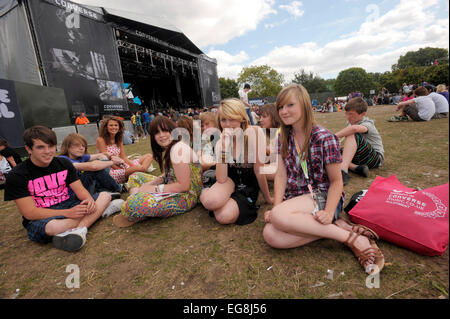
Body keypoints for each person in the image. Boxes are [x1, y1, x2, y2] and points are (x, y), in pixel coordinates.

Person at [262, 84, 384, 275]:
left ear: (304, 105)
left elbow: (337, 182)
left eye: (290, 105)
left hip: (325, 196)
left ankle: (351, 239)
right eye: (280, 107)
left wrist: (328, 212)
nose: (284, 111)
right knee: (271, 236)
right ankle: (337, 227)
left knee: (278, 217)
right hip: (297, 199)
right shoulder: (282, 138)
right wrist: (276, 204)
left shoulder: (324, 138)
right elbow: (280, 175)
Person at [3, 126, 116, 252]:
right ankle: (96, 215)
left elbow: (81, 191)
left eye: (51, 146)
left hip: (70, 204)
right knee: (53, 227)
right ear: (29, 149)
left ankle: (79, 230)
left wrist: (88, 200)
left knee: (105, 196)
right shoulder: (17, 175)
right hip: (45, 215)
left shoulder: (63, 163)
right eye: (40, 147)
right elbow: (30, 212)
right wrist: (67, 213)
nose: (48, 151)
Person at [112, 116, 202, 227]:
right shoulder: (172, 146)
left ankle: (135, 207)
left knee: (133, 203)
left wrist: (153, 189)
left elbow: (184, 186)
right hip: (172, 185)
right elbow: (171, 173)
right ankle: (137, 207)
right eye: (157, 132)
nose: (162, 135)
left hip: (187, 197)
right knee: (135, 176)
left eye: (165, 130)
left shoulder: (178, 149)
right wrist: (153, 183)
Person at [199, 98, 273, 226]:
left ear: (241, 118)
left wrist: (267, 198)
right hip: (228, 180)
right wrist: (223, 149)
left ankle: (220, 197)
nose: (227, 124)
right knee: (210, 201)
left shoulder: (255, 133)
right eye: (223, 120)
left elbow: (258, 170)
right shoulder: (219, 141)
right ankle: (206, 190)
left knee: (224, 216)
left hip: (248, 184)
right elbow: (222, 179)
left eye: (232, 119)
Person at [335, 97, 384, 185]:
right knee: (334, 150)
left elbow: (354, 129)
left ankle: (343, 170)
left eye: (351, 114)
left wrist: (332, 137)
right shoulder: (350, 123)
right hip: (359, 157)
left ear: (363, 114)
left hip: (375, 158)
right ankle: (357, 168)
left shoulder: (368, 124)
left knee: (352, 133)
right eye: (346, 113)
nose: (348, 117)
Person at [59, 133, 124, 196]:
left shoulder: (80, 157)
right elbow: (93, 167)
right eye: (77, 145)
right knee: (93, 170)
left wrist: (112, 157)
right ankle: (118, 188)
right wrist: (112, 162)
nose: (81, 148)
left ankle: (104, 191)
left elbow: (103, 155)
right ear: (67, 147)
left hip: (82, 188)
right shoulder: (63, 160)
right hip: (72, 194)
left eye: (83, 146)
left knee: (103, 159)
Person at [96, 116, 153, 184]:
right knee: (140, 168)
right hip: (112, 169)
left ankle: (137, 172)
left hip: (122, 164)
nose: (114, 127)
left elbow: (123, 157)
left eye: (116, 125)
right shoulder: (101, 139)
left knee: (149, 156)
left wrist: (132, 166)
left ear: (119, 127)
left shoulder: (118, 139)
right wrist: (122, 170)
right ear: (106, 127)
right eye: (111, 125)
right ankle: (139, 172)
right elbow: (106, 161)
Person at [258, 103, 281, 181]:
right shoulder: (274, 132)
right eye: (260, 117)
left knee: (254, 170)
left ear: (274, 117)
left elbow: (275, 159)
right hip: (278, 168)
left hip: (284, 172)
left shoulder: (280, 133)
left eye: (264, 117)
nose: (260, 120)